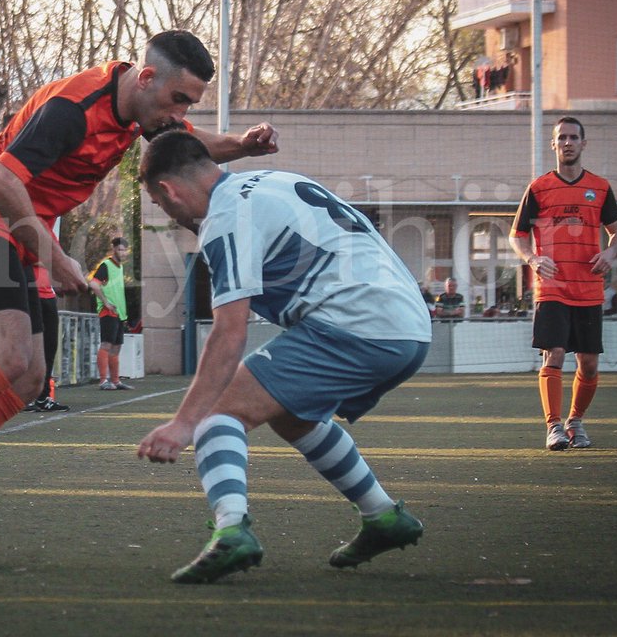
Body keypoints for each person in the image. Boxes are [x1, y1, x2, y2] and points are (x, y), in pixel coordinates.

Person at [0, 29, 279, 542]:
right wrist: (54, 256)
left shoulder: (140, 110)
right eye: (178, 100)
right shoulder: (73, 107)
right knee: (10, 359)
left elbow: (190, 143)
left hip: (15, 232)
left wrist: (242, 144)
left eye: (187, 104)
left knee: (30, 379)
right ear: (146, 78)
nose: (178, 114)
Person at [135, 130, 431, 583]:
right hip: (407, 323)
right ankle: (383, 518)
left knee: (218, 409)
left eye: (163, 206)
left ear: (168, 190)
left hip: (358, 325)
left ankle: (232, 529)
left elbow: (229, 333)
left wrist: (183, 423)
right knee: (292, 415)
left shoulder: (224, 218)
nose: (172, 215)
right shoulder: (270, 180)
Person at [510, 116, 617, 451]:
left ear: (583, 144)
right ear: (554, 144)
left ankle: (575, 422)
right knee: (554, 355)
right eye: (562, 138)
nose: (568, 143)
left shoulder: (600, 188)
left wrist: (611, 253)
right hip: (552, 290)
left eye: (574, 138)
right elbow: (516, 236)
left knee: (588, 363)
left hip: (589, 289)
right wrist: (532, 259)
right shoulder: (538, 187)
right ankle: (554, 427)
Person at [22, 264, 70, 412]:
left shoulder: (51, 242)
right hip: (30, 293)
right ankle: (25, 397)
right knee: (30, 349)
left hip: (49, 295)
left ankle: (43, 397)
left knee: (50, 347)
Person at [88, 237, 133, 391]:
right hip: (108, 311)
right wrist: (106, 302)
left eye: (125, 250)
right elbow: (93, 284)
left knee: (117, 346)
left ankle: (115, 380)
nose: (123, 252)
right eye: (120, 249)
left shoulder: (119, 267)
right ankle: (103, 380)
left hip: (119, 312)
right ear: (113, 249)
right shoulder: (106, 265)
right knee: (106, 344)